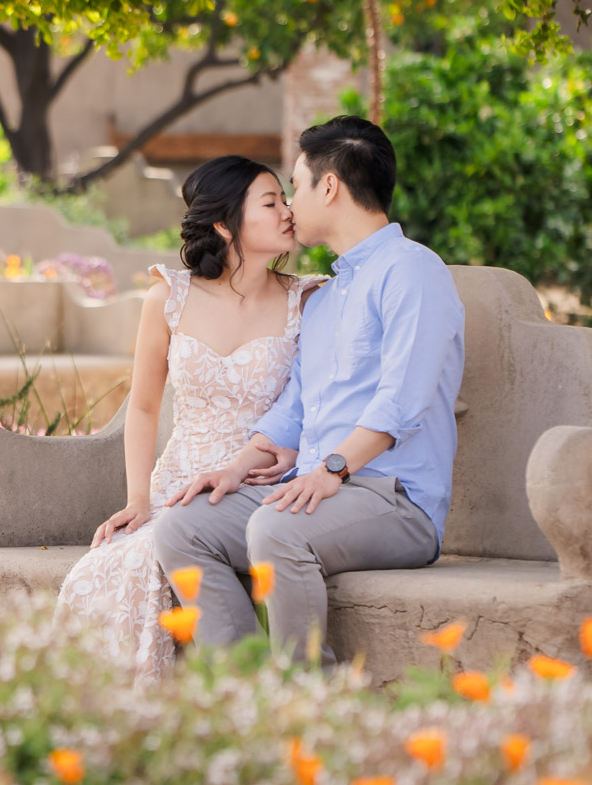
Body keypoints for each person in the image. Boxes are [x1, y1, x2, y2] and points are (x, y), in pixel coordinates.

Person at [152, 116, 466, 665]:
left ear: (330, 186)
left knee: (277, 530)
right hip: (317, 488)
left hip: (394, 501)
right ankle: (248, 689)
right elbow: (292, 409)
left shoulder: (413, 271)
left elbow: (402, 402)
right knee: (182, 526)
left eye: (294, 186)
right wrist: (237, 465)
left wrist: (333, 470)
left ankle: (305, 702)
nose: (290, 206)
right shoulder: (322, 299)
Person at [55, 155, 320, 681]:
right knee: (110, 566)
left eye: (285, 198)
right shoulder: (168, 298)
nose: (288, 210)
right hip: (176, 480)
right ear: (225, 224)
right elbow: (145, 405)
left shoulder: (307, 301)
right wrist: (137, 499)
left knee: (160, 552)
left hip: (261, 482)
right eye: (271, 202)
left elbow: (317, 401)